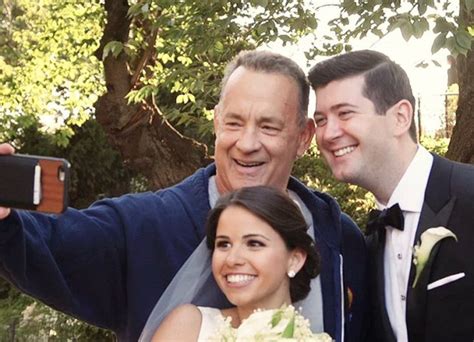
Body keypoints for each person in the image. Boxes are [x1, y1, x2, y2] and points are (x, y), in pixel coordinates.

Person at [0, 50, 367, 342]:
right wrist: (5, 222)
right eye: (234, 122)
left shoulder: (339, 236)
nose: (247, 143)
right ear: (216, 122)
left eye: (268, 126)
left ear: (304, 137)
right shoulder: (144, 225)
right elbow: (48, 244)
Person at [308, 49, 474, 342]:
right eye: (321, 120)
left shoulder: (469, 194)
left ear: (400, 117)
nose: (328, 133)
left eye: (344, 113)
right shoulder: (369, 242)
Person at [151, 185, 320, 340]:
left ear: (295, 260)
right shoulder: (190, 326)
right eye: (223, 244)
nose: (232, 259)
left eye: (254, 243)